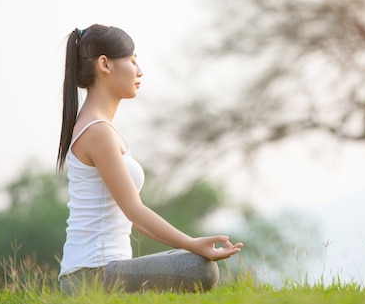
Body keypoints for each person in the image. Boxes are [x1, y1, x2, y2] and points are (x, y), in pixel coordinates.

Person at [56, 24, 243, 294]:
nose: (140, 70)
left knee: (196, 262)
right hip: (90, 276)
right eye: (132, 61)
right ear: (105, 65)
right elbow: (135, 210)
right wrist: (191, 243)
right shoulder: (96, 131)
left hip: (103, 270)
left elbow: (133, 218)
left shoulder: (97, 127)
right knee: (201, 269)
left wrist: (191, 247)